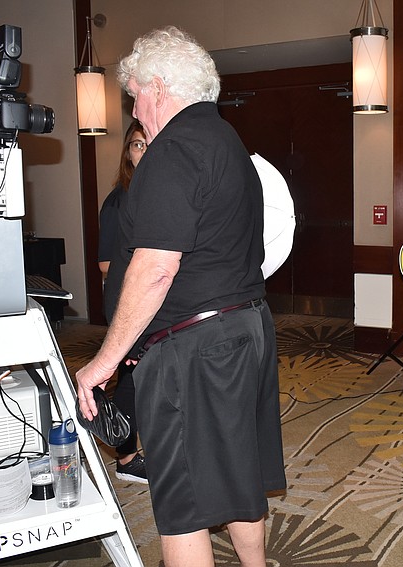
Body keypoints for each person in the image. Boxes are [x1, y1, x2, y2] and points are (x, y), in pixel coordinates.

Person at [76, 27, 286, 567]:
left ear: (159, 86)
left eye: (136, 95)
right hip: (245, 328)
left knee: (184, 500)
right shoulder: (228, 142)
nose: (135, 110)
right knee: (238, 473)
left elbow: (154, 270)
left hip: (195, 347)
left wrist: (105, 360)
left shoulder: (172, 150)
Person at [97, 120, 148, 484]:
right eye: (137, 145)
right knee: (130, 379)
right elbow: (106, 263)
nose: (143, 152)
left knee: (144, 377)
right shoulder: (120, 200)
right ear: (127, 153)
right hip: (128, 301)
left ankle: (135, 451)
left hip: (153, 300)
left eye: (149, 144)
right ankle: (127, 456)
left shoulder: (157, 195)